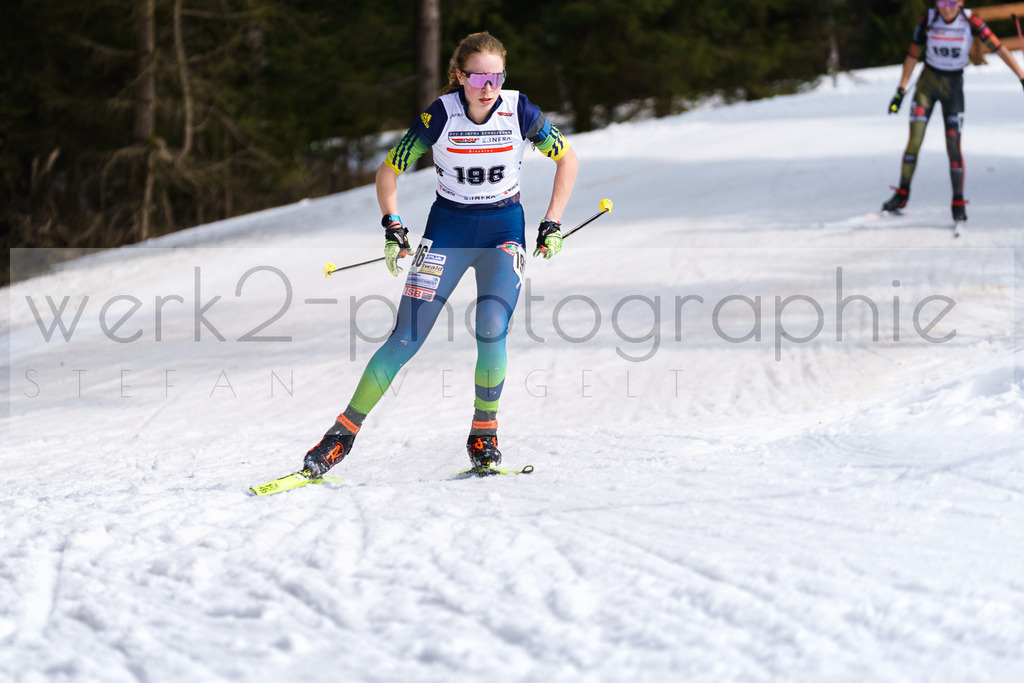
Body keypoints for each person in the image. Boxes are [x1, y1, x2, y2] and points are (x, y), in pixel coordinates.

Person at [300, 31, 578, 477]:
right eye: (478, 78)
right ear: (460, 76)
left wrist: (553, 221)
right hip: (448, 231)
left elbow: (567, 159)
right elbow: (388, 172)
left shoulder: (521, 110)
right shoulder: (440, 116)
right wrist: (393, 225)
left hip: (503, 232)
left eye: (497, 77)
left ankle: (484, 432)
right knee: (405, 337)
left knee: (492, 327)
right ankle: (340, 436)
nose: (488, 87)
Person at [882, 0, 1024, 222]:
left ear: (960, 2)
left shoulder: (971, 21)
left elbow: (999, 48)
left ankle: (958, 201)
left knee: (953, 147)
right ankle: (902, 194)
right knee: (914, 141)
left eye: (951, 2)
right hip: (926, 88)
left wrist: (1021, 76)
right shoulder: (928, 20)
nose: (946, 8)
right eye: (941, 2)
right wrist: (900, 91)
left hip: (953, 91)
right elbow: (912, 55)